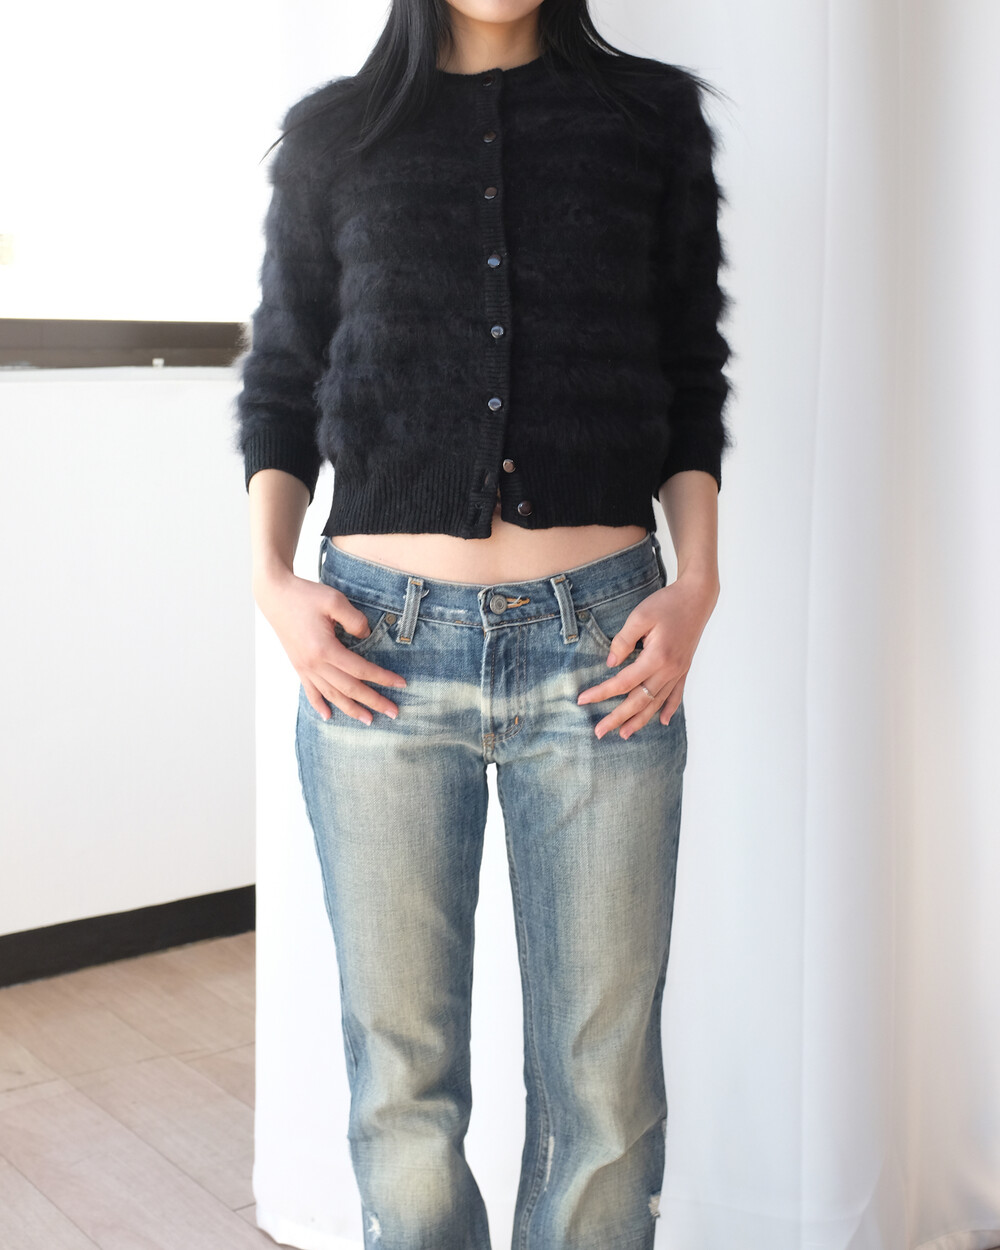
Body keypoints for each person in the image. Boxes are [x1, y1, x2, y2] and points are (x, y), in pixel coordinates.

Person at [234, 1, 733, 1245]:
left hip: (605, 646)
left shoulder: (648, 118)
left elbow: (689, 370)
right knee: (401, 1078)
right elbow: (284, 379)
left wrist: (698, 581)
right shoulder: (336, 135)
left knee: (603, 1087)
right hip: (377, 652)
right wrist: (270, 579)